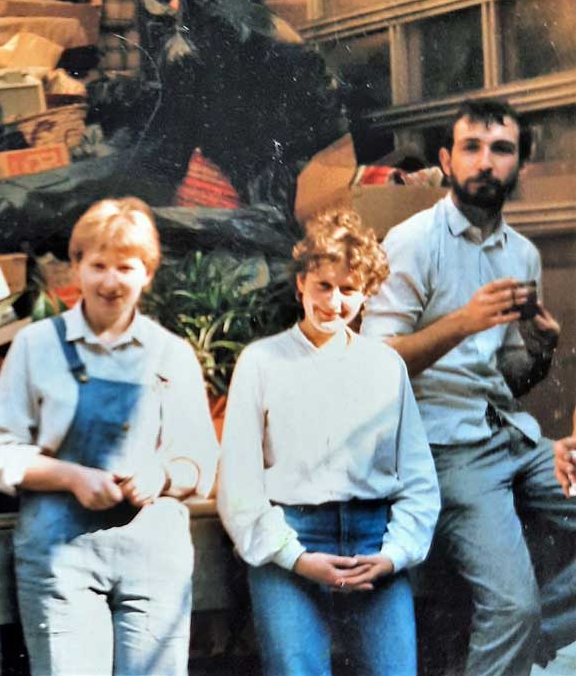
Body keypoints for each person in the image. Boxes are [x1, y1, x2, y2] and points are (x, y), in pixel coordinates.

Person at [361, 99, 576, 676]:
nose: (485, 162)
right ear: (445, 161)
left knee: (520, 618)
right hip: (447, 448)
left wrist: (540, 350)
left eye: (501, 149)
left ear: (520, 165)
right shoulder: (412, 242)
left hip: (515, 439)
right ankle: (519, 630)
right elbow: (371, 366)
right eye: (471, 148)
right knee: (511, 609)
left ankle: (528, 637)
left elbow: (508, 379)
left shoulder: (521, 254)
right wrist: (462, 321)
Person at [0, 197, 218, 676]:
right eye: (99, 266)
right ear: (76, 267)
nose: (111, 282)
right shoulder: (35, 345)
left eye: (126, 268)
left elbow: (201, 462)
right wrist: (71, 477)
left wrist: (160, 475)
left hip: (153, 555)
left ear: (147, 274)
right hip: (61, 555)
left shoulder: (170, 354)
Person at [217, 208, 439, 676]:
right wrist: (295, 558)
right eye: (323, 285)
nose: (334, 302)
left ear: (367, 293)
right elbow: (238, 483)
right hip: (291, 543)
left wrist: (393, 555)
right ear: (301, 282)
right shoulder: (262, 363)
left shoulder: (385, 367)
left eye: (349, 289)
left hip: (373, 544)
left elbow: (419, 480)